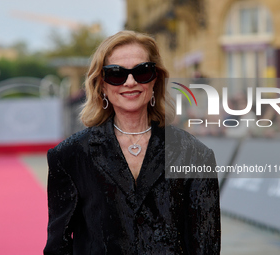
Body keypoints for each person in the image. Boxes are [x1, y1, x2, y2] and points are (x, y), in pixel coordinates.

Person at [44, 30, 220, 255]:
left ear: (155, 79)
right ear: (102, 85)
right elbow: (58, 246)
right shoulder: (70, 156)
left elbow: (206, 247)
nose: (130, 82)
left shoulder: (195, 155)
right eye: (116, 73)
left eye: (142, 71)